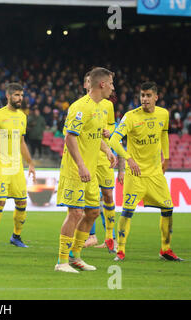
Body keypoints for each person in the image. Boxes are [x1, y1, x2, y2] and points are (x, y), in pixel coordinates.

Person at [108, 81, 183, 262]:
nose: (145, 99)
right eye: (142, 95)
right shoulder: (131, 117)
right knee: (127, 211)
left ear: (156, 97)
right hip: (135, 174)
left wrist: (166, 158)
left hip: (155, 173)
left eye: (148, 96)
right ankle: (121, 250)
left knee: (168, 208)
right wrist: (129, 159)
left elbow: (164, 134)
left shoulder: (163, 114)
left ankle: (165, 249)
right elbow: (113, 141)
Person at [55, 67, 116, 273]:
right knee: (75, 213)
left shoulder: (101, 108)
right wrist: (81, 165)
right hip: (75, 169)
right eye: (111, 84)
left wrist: (107, 150)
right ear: (102, 84)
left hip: (90, 170)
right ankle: (62, 261)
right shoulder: (80, 107)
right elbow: (70, 137)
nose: (113, 88)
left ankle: (75, 256)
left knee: (92, 212)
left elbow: (95, 135)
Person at [0, 82, 36, 248]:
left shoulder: (22, 117)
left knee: (21, 202)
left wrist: (30, 163)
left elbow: (21, 142)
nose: (20, 98)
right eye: (16, 95)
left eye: (21, 95)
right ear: (8, 96)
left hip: (17, 167)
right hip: (1, 166)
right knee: (1, 202)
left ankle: (16, 236)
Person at [79, 72, 124, 251]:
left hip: (104, 158)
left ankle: (110, 238)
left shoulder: (107, 105)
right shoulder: (81, 107)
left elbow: (112, 126)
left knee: (107, 196)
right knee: (88, 200)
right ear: (85, 85)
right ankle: (91, 236)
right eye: (87, 81)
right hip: (88, 156)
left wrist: (108, 131)